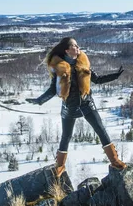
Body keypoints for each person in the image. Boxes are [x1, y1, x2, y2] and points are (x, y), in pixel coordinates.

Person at [26, 37, 127, 177]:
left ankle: (115, 161)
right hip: (69, 107)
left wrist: (114, 76)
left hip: (87, 104)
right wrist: (39, 100)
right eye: (74, 45)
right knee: (66, 136)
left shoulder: (83, 63)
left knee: (101, 130)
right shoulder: (59, 68)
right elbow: (53, 90)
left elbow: (97, 79)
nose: (78, 47)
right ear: (67, 50)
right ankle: (59, 166)